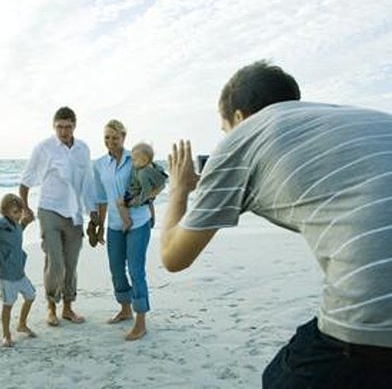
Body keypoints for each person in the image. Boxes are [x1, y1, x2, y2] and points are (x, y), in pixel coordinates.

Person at [161, 60, 392, 387]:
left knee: (281, 378)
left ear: (239, 117)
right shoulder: (355, 118)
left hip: (372, 311)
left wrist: (179, 189)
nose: (226, 136)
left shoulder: (242, 138)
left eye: (224, 128)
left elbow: (173, 256)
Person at [19, 106, 98, 327]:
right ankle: (51, 307)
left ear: (75, 126)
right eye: (60, 127)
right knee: (55, 262)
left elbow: (88, 182)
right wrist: (25, 208)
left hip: (74, 213)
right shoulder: (44, 148)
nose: (64, 132)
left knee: (71, 264)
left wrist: (93, 213)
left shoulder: (83, 149)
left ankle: (68, 308)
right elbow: (26, 180)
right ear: (54, 126)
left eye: (68, 127)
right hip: (50, 209)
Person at [93, 119, 152, 340]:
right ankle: (125, 309)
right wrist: (99, 227)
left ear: (124, 137)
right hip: (114, 225)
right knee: (116, 268)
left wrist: (149, 204)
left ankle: (141, 320)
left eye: (115, 137)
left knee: (136, 270)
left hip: (138, 221)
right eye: (107, 137)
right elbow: (101, 198)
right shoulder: (99, 165)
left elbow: (149, 185)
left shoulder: (135, 159)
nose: (110, 142)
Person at [0, 194, 37, 347]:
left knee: (30, 296)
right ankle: (6, 335)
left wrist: (25, 223)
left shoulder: (16, 224)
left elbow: (17, 233)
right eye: (15, 212)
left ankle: (22, 324)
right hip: (7, 276)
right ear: (5, 211)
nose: (19, 215)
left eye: (20, 212)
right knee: (8, 305)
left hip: (20, 273)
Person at [116, 142, 167, 231]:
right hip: (146, 195)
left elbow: (146, 190)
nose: (132, 162)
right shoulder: (152, 167)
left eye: (134, 160)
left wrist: (136, 202)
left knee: (119, 203)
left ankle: (127, 222)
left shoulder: (142, 173)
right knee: (150, 203)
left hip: (136, 194)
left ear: (144, 160)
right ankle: (152, 219)